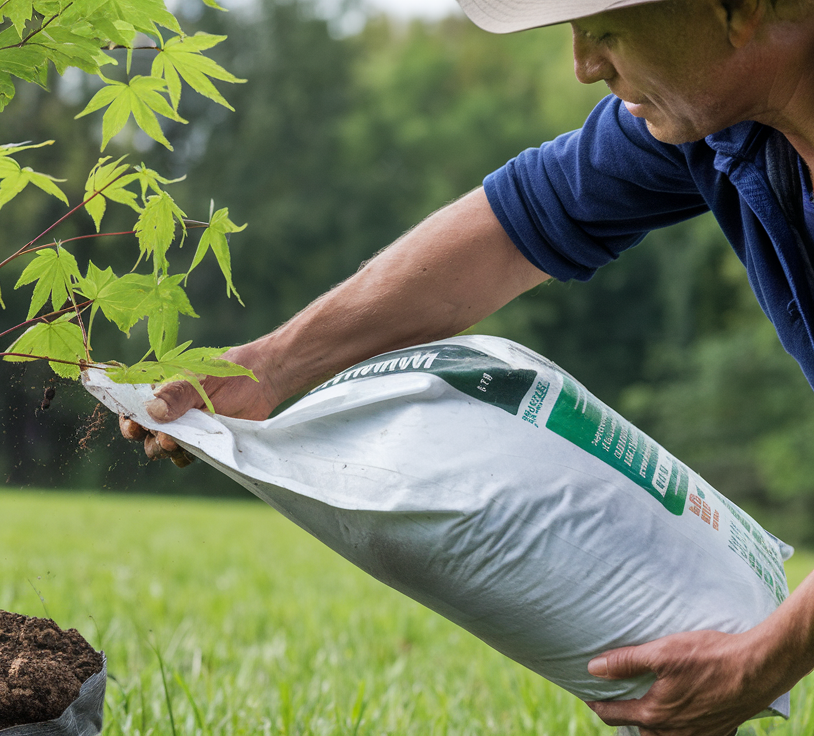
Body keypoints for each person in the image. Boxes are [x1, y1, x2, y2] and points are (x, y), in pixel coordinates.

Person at [118, 0, 814, 734]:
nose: (583, 66)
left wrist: (760, 660)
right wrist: (269, 366)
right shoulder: (717, 120)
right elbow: (513, 226)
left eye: (606, 31)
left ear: (735, 10)